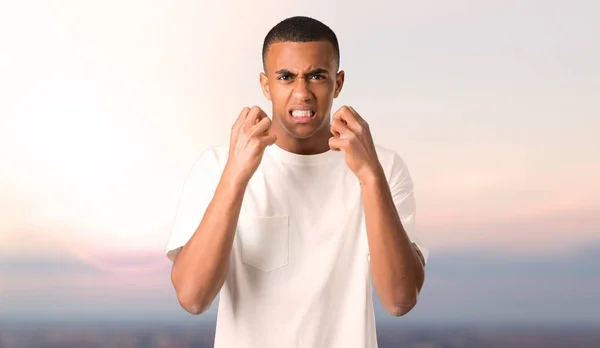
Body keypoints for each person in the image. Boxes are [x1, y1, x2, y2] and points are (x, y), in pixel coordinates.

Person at [165, 15, 429, 348]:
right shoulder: (217, 166)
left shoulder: (383, 167)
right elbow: (192, 297)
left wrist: (369, 176)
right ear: (265, 85)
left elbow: (400, 299)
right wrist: (236, 176)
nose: (302, 93)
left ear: (337, 83)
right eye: (286, 77)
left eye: (317, 76)